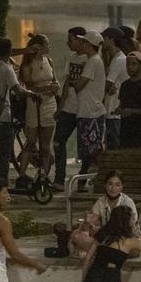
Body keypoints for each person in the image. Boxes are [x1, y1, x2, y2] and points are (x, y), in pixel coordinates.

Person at [0, 38, 37, 181]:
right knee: (4, 155)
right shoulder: (6, 68)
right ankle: (2, 186)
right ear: (10, 51)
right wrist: (32, 93)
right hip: (2, 117)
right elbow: (18, 91)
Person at [70, 170, 140, 259]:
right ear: (105, 185)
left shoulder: (127, 202)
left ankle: (96, 252)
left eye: (117, 185)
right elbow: (91, 224)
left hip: (123, 238)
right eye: (110, 184)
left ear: (122, 187)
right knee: (76, 235)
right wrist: (88, 223)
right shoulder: (100, 202)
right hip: (105, 239)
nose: (113, 188)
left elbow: (130, 227)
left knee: (133, 250)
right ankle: (104, 253)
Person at [18, 34, 59, 183]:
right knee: (31, 141)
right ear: (38, 47)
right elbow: (29, 86)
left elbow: (54, 79)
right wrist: (47, 88)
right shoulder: (27, 65)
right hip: (34, 103)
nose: (49, 47)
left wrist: (55, 86)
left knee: (46, 143)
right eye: (47, 44)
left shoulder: (49, 61)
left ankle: (44, 174)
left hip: (49, 104)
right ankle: (22, 175)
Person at [53, 27, 88, 186]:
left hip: (84, 110)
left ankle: (83, 180)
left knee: (86, 147)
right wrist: (60, 107)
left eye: (70, 40)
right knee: (58, 142)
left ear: (80, 40)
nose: (68, 43)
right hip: (68, 109)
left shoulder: (91, 60)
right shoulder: (72, 57)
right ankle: (59, 179)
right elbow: (67, 83)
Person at [71, 30, 107, 178]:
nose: (81, 44)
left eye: (83, 42)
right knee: (89, 150)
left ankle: (98, 177)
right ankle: (85, 178)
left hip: (91, 112)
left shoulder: (93, 61)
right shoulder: (93, 61)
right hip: (87, 111)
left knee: (92, 150)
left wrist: (73, 82)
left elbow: (80, 85)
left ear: (89, 44)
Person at [101, 27, 130, 152]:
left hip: (114, 109)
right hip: (111, 108)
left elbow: (107, 85)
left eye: (104, 39)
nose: (102, 42)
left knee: (113, 146)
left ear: (111, 40)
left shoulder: (119, 60)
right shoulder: (116, 59)